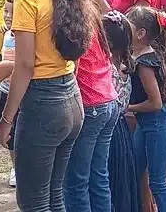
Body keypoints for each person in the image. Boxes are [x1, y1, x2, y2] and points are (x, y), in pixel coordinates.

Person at [0, 0, 96, 211]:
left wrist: (6, 120)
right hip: (72, 101)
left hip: (43, 105)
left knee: (34, 202)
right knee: (54, 196)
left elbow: (25, 65)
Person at [124, 6, 166, 212]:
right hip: (147, 123)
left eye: (128, 27)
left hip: (158, 124)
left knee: (158, 183)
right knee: (138, 169)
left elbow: (155, 103)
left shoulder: (145, 63)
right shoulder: (147, 55)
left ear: (140, 33)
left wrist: (126, 107)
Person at [63, 15, 118, 211]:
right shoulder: (91, 15)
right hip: (108, 100)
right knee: (98, 175)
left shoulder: (73, 19)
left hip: (90, 104)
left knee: (76, 181)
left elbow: (73, 69)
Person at [0, 0, 35, 188]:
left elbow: (25, 63)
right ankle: (15, 168)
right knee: (10, 139)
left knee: (22, 134)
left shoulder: (24, 33)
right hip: (5, 90)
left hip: (22, 92)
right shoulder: (7, 34)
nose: (8, 16)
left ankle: (24, 169)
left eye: (12, 11)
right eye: (6, 11)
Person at [102, 11, 142, 212]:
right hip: (122, 131)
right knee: (121, 181)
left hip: (108, 130)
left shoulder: (106, 69)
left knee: (108, 178)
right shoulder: (127, 65)